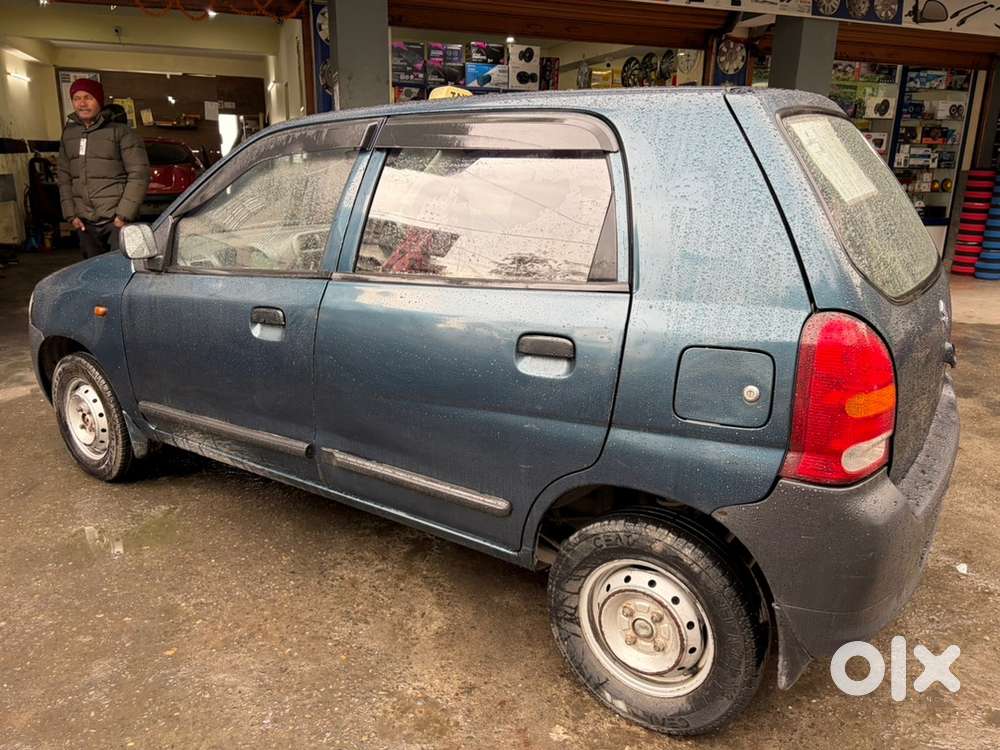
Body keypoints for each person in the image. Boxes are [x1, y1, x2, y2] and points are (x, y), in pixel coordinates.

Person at [57, 79, 150, 259]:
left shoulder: (121, 132)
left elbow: (139, 174)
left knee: (120, 272)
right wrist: (70, 215)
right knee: (94, 275)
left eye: (88, 97)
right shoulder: (69, 134)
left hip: (115, 220)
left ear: (99, 100)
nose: (82, 103)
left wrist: (123, 216)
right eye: (77, 98)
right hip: (84, 222)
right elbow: (64, 176)